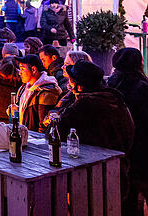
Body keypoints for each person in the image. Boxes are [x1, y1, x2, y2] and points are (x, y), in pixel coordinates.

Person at [54, 60, 135, 196]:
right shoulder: (115, 98)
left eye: (71, 81)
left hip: (94, 175)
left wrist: (54, 119)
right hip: (119, 169)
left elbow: (55, 132)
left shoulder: (85, 104)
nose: (69, 84)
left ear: (79, 86)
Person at [108, 48, 148, 216]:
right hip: (146, 154)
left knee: (127, 203)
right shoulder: (141, 88)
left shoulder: (111, 87)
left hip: (123, 153)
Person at [13, 55, 61, 133]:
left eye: (22, 69)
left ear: (33, 69)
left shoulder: (47, 92)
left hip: (34, 141)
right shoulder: (25, 88)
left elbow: (43, 126)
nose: (19, 73)